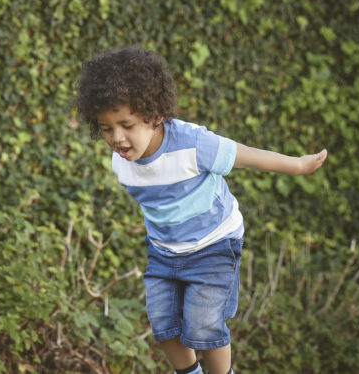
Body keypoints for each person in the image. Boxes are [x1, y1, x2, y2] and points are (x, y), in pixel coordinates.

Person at [73, 46, 327, 374]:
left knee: (203, 325)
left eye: (126, 124)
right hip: (165, 253)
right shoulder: (122, 165)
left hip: (214, 244)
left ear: (154, 114)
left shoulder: (192, 144)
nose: (116, 138)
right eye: (106, 129)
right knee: (163, 326)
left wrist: (298, 166)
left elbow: (245, 155)